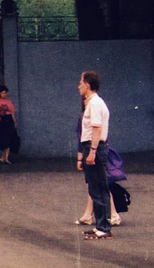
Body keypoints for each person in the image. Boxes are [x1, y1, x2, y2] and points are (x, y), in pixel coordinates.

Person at [75, 95, 121, 227]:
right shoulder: (89, 114)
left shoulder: (89, 114)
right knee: (95, 184)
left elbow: (87, 136)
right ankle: (90, 215)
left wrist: (87, 154)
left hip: (93, 150)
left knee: (98, 184)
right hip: (95, 150)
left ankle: (111, 216)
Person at [77, 71, 113, 239]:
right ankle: (100, 225)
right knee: (94, 187)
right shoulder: (92, 103)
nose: (78, 87)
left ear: (87, 85)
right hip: (92, 147)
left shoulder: (94, 104)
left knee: (98, 188)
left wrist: (92, 151)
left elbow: (96, 128)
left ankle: (103, 228)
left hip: (95, 148)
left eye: (80, 83)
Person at [0, 84, 17, 164]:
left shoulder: (9, 102)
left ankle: (6, 157)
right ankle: (2, 157)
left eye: (5, 93)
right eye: (3, 93)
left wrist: (14, 122)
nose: (4, 94)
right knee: (2, 138)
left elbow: (12, 113)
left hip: (8, 120)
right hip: (0, 120)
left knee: (8, 138)